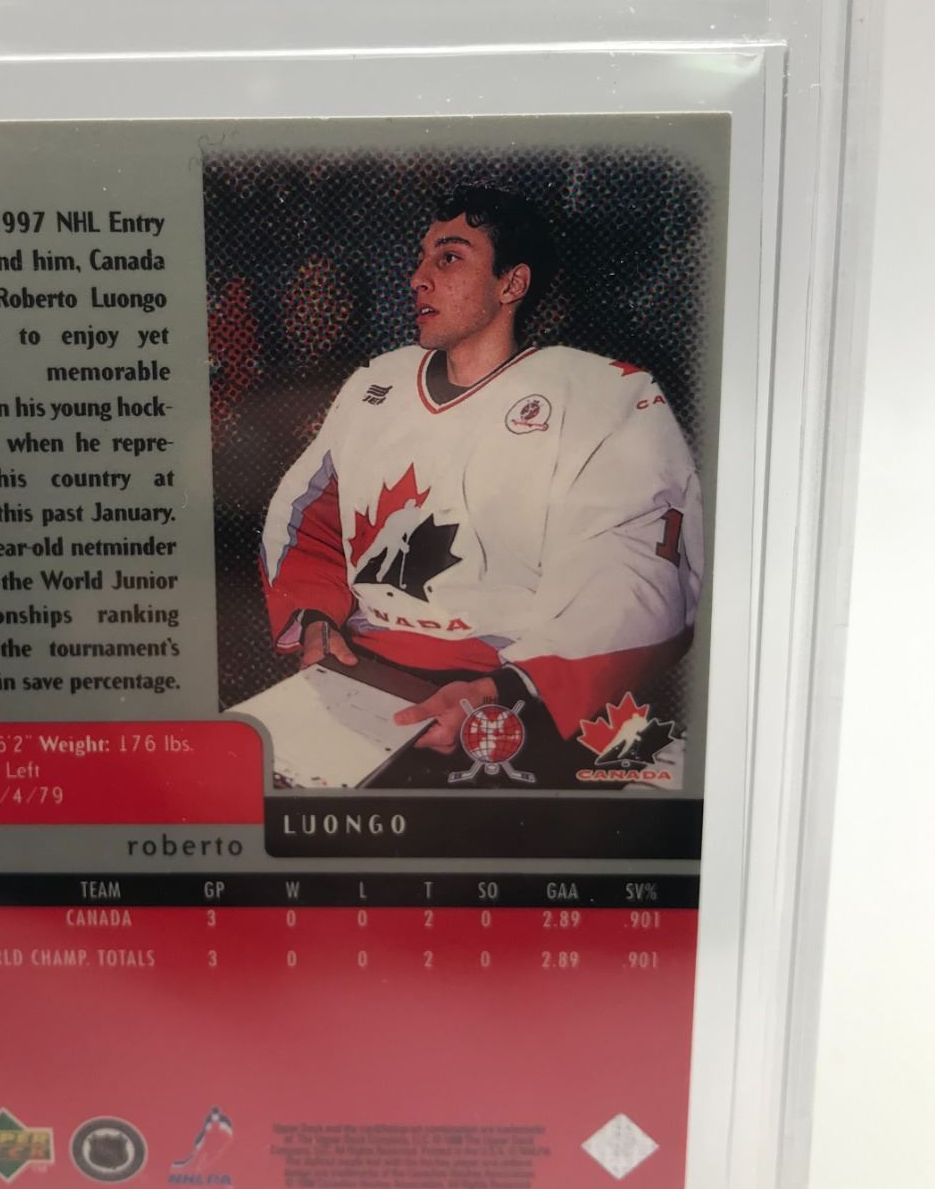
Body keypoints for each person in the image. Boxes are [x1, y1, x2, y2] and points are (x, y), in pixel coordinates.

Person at [258, 184, 704, 776]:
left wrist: (507, 689)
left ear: (511, 285)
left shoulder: (607, 396)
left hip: (521, 690)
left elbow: (635, 575)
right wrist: (315, 614)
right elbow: (309, 517)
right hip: (363, 670)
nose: (417, 278)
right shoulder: (376, 384)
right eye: (420, 258)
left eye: (449, 258)